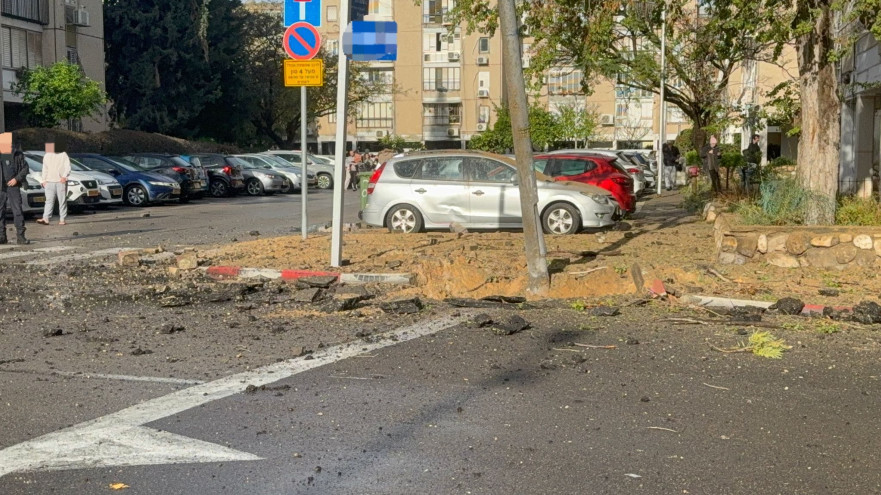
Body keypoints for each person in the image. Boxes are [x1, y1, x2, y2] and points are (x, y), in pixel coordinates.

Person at [0, 133, 30, 244]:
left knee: (17, 211)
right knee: (0, 212)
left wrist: (16, 179)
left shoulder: (17, 154)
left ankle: (20, 236)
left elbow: (25, 168)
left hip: (14, 186)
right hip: (1, 187)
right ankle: (1, 236)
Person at [36, 141, 71, 226]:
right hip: (50, 181)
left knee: (61, 201)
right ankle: (46, 218)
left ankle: (62, 219)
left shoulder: (63, 154)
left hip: (60, 181)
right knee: (49, 201)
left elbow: (67, 166)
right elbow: (45, 168)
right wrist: (44, 180)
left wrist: (64, 176)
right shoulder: (47, 155)